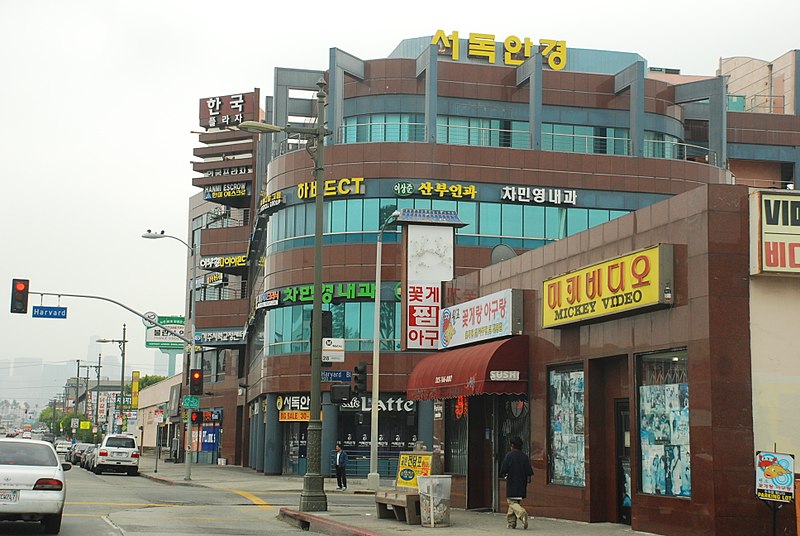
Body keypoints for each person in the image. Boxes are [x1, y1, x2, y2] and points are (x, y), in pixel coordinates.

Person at [499, 436, 534, 529]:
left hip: (512, 483)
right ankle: (511, 523)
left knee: (511, 502)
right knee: (515, 503)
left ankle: (522, 513)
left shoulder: (509, 455)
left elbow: (503, 469)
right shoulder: (524, 457)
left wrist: (503, 474)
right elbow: (529, 472)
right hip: (522, 484)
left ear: (513, 445)